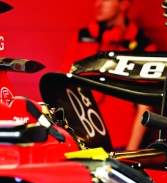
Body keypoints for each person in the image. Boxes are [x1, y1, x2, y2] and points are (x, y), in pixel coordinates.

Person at [60, 0, 156, 151]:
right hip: (82, 141)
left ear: (124, 4)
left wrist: (130, 153)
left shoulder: (143, 46)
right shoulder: (81, 38)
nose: (97, 5)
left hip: (121, 145)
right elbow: (63, 88)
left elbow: (145, 107)